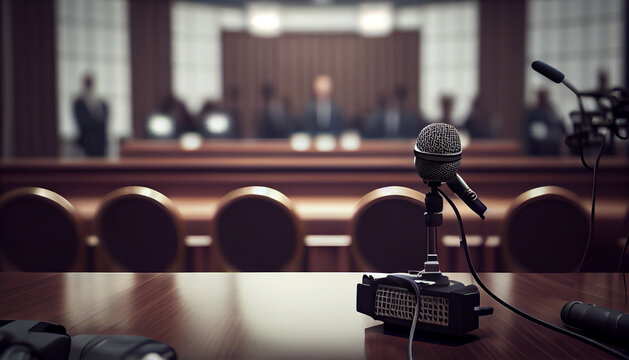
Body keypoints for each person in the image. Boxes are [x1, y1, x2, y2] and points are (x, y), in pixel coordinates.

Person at [73, 74, 108, 156]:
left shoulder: (101, 102)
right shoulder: (79, 103)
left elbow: (105, 121)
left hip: (101, 144)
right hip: (86, 144)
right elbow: (82, 123)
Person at [522, 89, 564, 156]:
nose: (543, 98)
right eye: (541, 96)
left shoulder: (552, 110)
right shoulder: (531, 112)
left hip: (551, 147)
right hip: (535, 147)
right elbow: (526, 129)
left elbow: (559, 126)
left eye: (544, 96)